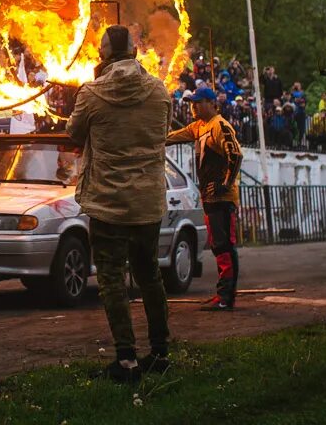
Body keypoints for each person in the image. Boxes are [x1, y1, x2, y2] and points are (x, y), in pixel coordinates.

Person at [65, 25, 171, 383]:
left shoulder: (92, 93)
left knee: (111, 278)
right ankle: (160, 352)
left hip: (107, 201)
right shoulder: (159, 91)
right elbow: (161, 133)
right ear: (136, 53)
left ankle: (126, 359)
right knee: (150, 274)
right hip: (147, 201)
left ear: (103, 55)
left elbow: (73, 133)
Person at [168, 86, 244, 312]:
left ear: (212, 104)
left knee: (224, 246)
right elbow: (172, 137)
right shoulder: (198, 127)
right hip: (209, 196)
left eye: (198, 102)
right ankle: (223, 294)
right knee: (218, 246)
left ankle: (225, 297)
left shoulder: (220, 126)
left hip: (222, 198)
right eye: (192, 102)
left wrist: (226, 183)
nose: (193, 106)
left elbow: (236, 154)